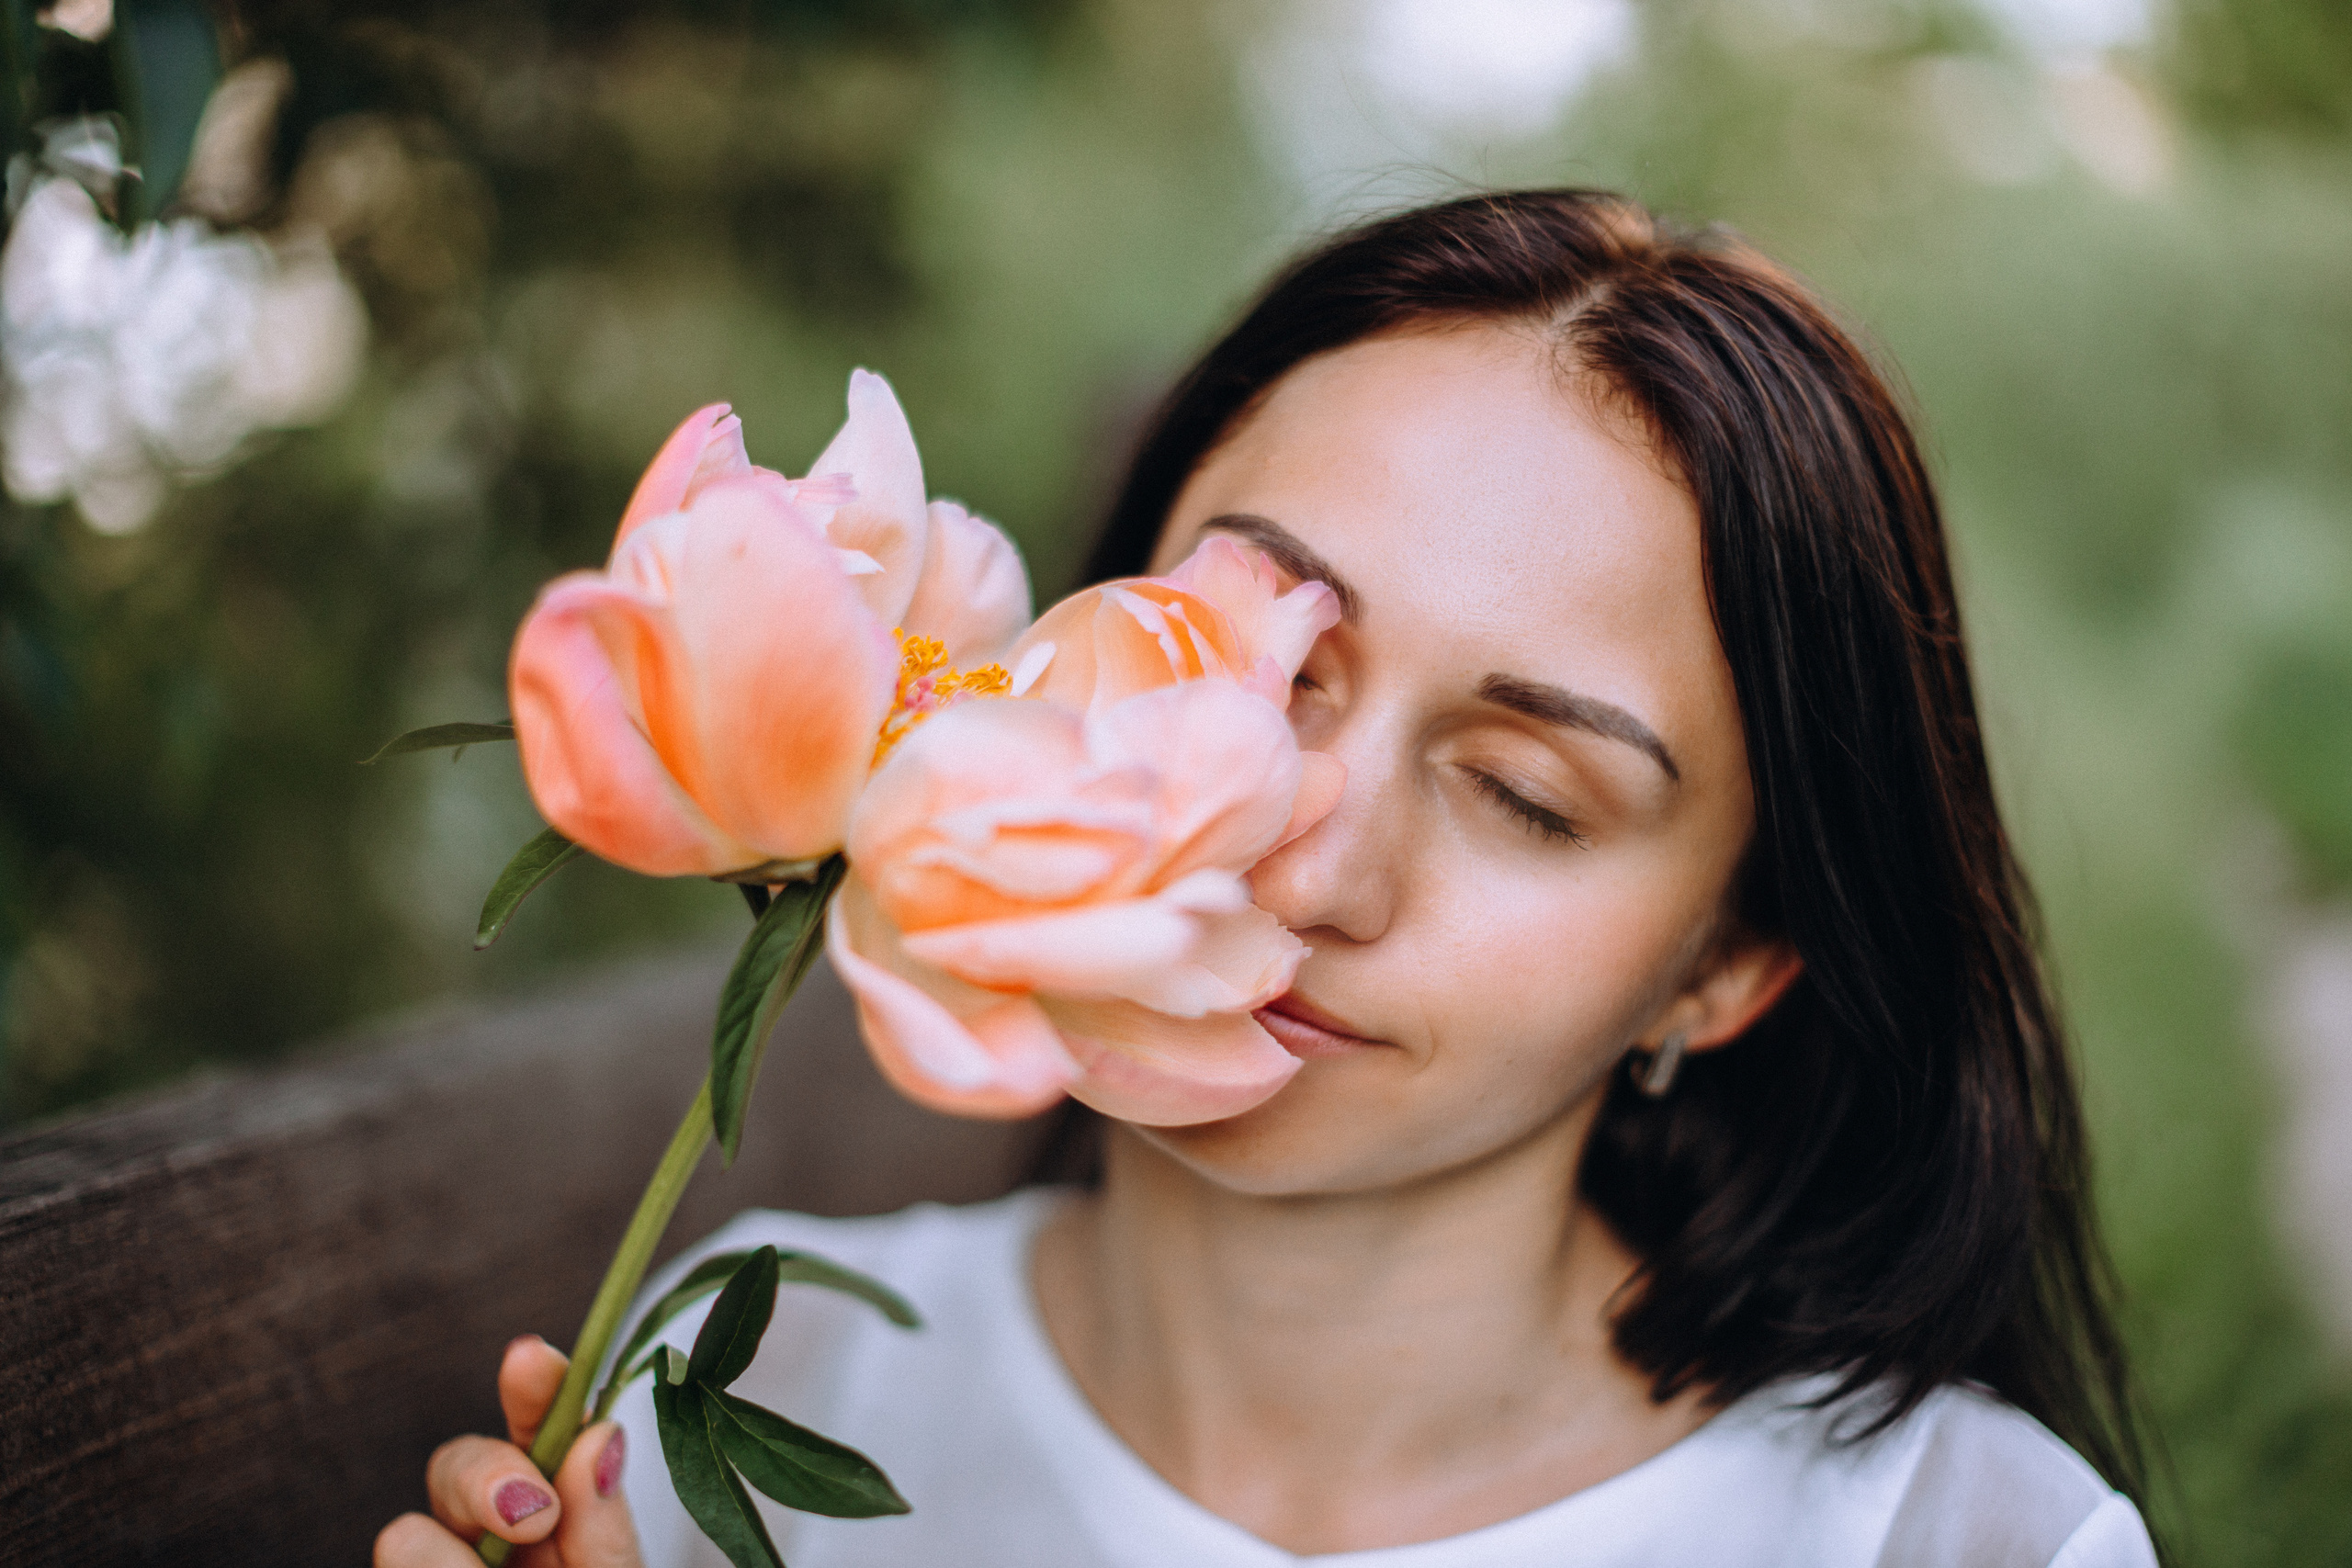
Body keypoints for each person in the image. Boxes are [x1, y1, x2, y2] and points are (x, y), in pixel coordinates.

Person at [376, 189, 2161, 1568]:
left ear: (1727, 960)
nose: (1309, 851)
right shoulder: (753, 1384)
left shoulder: (1951, 1537)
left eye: (1526, 795)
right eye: (1268, 656)